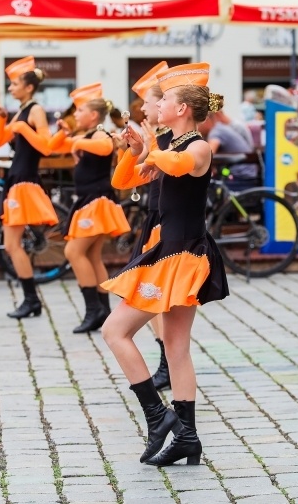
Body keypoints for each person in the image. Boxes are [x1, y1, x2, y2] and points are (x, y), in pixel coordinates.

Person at [101, 62, 229, 466]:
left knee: (115, 331)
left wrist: (152, 147)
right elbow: (124, 182)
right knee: (175, 347)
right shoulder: (168, 146)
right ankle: (187, 436)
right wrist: (135, 150)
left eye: (166, 100)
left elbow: (177, 167)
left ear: (182, 110)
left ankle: (157, 416)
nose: (157, 106)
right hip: (171, 255)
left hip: (182, 256)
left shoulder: (197, 147)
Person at [112, 61, 173, 390]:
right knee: (155, 298)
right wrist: (134, 150)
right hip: (154, 220)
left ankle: (167, 364)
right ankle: (166, 363)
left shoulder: (168, 141)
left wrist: (145, 150)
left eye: (149, 102)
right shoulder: (155, 137)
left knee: (157, 298)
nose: (145, 108)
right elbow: (123, 179)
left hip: (165, 225)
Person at [50, 82, 130, 334]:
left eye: (79, 110)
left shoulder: (100, 134)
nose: (74, 115)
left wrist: (76, 143)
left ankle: (93, 309)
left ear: (94, 115)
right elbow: (52, 147)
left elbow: (106, 146)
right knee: (92, 255)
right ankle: (103, 310)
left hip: (97, 201)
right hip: (88, 201)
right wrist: (66, 134)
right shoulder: (84, 136)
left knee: (74, 251)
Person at [0, 56, 59, 319]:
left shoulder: (36, 110)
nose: (10, 88)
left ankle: (31, 299)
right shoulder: (21, 111)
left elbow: (47, 146)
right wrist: (3, 118)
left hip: (25, 179)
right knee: (11, 244)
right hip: (16, 180)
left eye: (14, 83)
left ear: (29, 87)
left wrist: (21, 127)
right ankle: (31, 299)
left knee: (12, 244)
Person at [199, 111, 258, 190]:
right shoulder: (220, 128)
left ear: (206, 120)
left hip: (241, 176)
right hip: (247, 173)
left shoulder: (216, 132)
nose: (197, 127)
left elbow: (208, 154)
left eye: (198, 123)